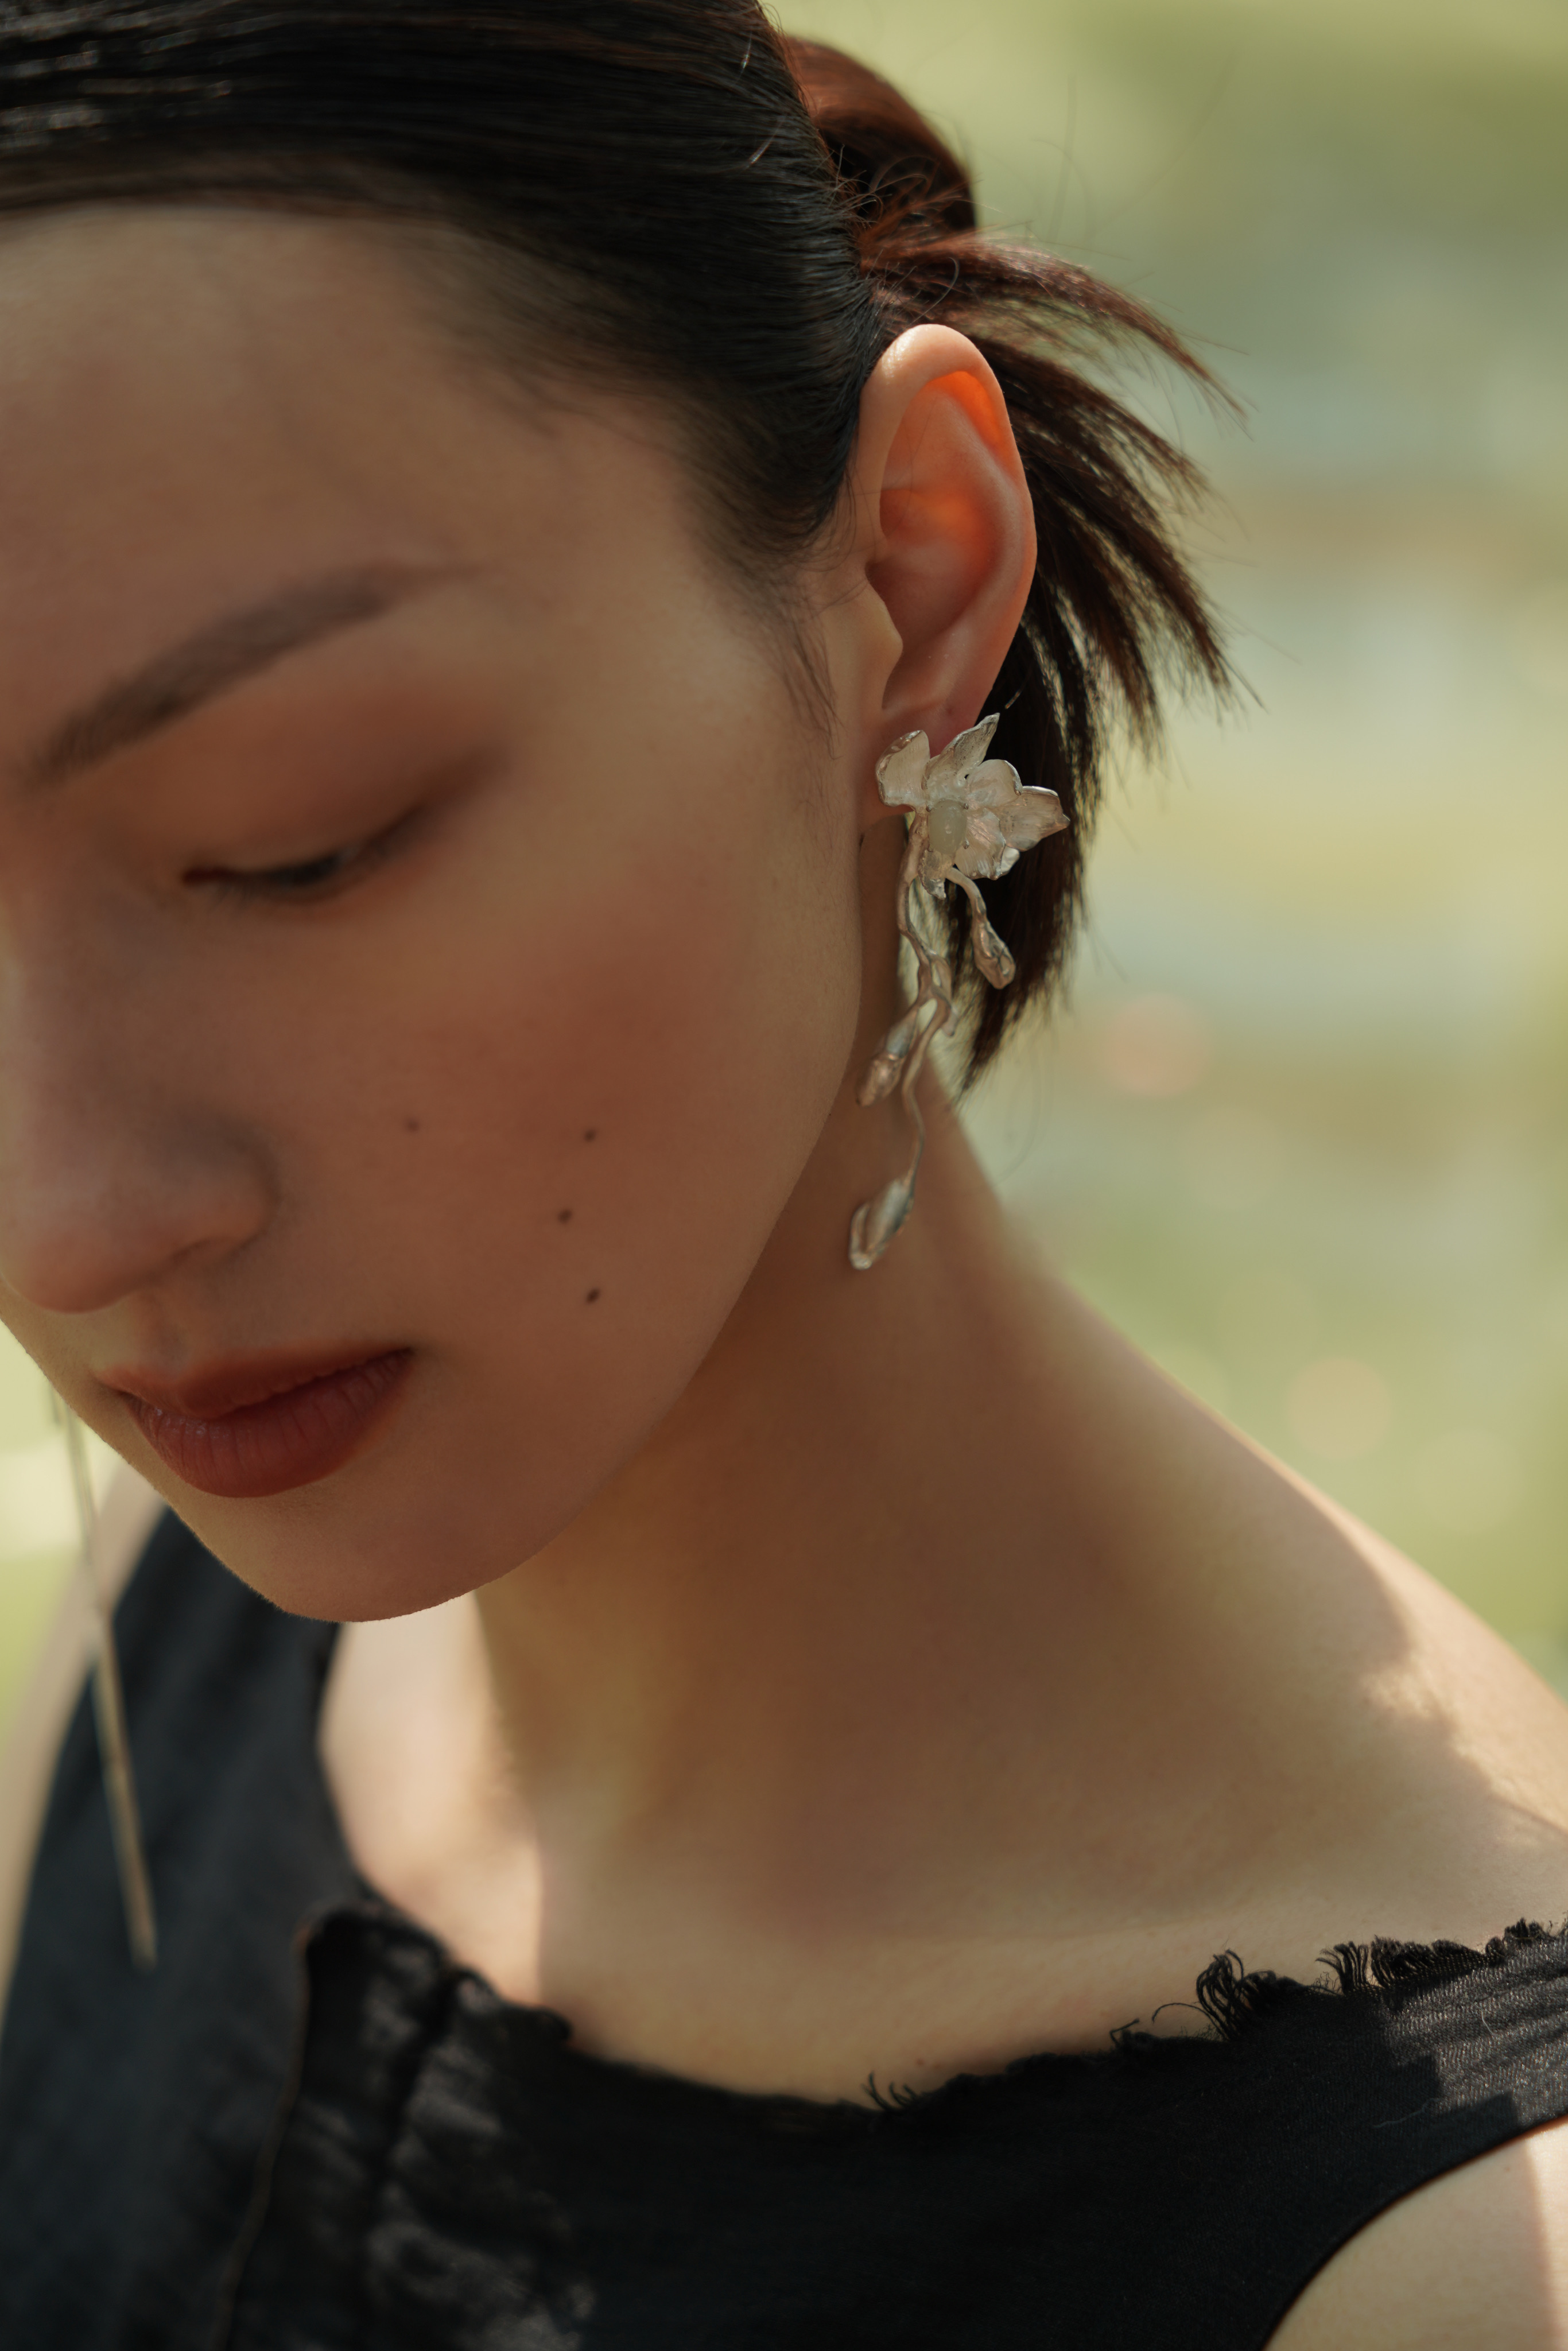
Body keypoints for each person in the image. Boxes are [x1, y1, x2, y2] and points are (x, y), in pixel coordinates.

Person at [0, 5, 1566, 2344]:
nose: (67, 1226)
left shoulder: (1440, 2258)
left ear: (911, 572)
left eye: (300, 841)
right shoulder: (197, 1585)